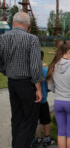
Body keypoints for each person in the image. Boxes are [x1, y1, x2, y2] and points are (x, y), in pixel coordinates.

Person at [0, 12, 43, 148]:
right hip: (27, 84)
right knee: (29, 120)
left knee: (17, 118)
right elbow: (35, 66)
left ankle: (16, 144)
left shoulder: (3, 38)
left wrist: (5, 71)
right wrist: (38, 88)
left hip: (12, 82)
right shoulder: (32, 39)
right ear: (28, 25)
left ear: (13, 23)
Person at [47, 41, 70, 148]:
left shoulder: (54, 65)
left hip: (58, 102)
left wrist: (59, 92)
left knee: (61, 131)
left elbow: (50, 87)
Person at [31, 51, 55, 147]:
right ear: (42, 57)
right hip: (43, 99)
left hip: (31, 100)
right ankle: (47, 138)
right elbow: (50, 86)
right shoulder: (45, 70)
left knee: (33, 120)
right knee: (46, 120)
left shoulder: (29, 70)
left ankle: (34, 138)